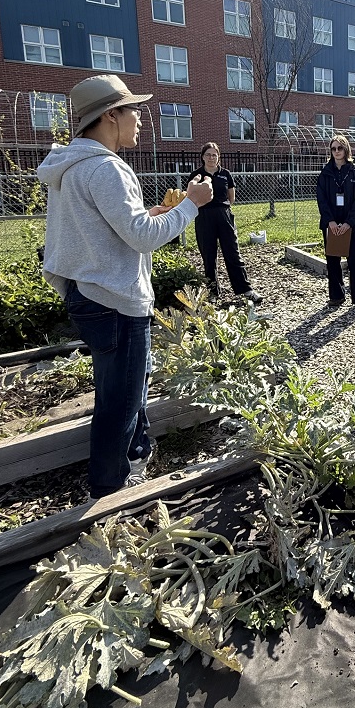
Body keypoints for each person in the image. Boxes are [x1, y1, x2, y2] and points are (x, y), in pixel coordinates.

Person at [37, 74, 213, 500]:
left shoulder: (73, 166)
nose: (139, 119)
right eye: (134, 110)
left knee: (123, 383)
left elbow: (109, 230)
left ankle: (136, 454)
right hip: (115, 300)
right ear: (110, 116)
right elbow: (143, 238)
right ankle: (110, 488)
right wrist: (191, 204)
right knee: (120, 399)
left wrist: (149, 216)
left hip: (90, 293)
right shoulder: (106, 168)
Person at [188, 142, 262, 304]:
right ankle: (213, 292)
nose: (211, 158)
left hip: (224, 216)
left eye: (214, 155)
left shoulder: (225, 174)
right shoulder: (197, 175)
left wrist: (223, 210)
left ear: (218, 157)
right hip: (204, 217)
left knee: (233, 253)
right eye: (208, 154)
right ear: (202, 157)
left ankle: (245, 289)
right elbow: (191, 196)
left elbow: (231, 198)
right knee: (208, 256)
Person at [315, 134, 355, 311]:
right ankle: (336, 296)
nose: (336, 152)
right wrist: (330, 222)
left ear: (346, 149)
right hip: (332, 225)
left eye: (339, 148)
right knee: (333, 261)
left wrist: (349, 223)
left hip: (351, 225)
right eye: (333, 148)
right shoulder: (325, 173)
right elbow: (321, 199)